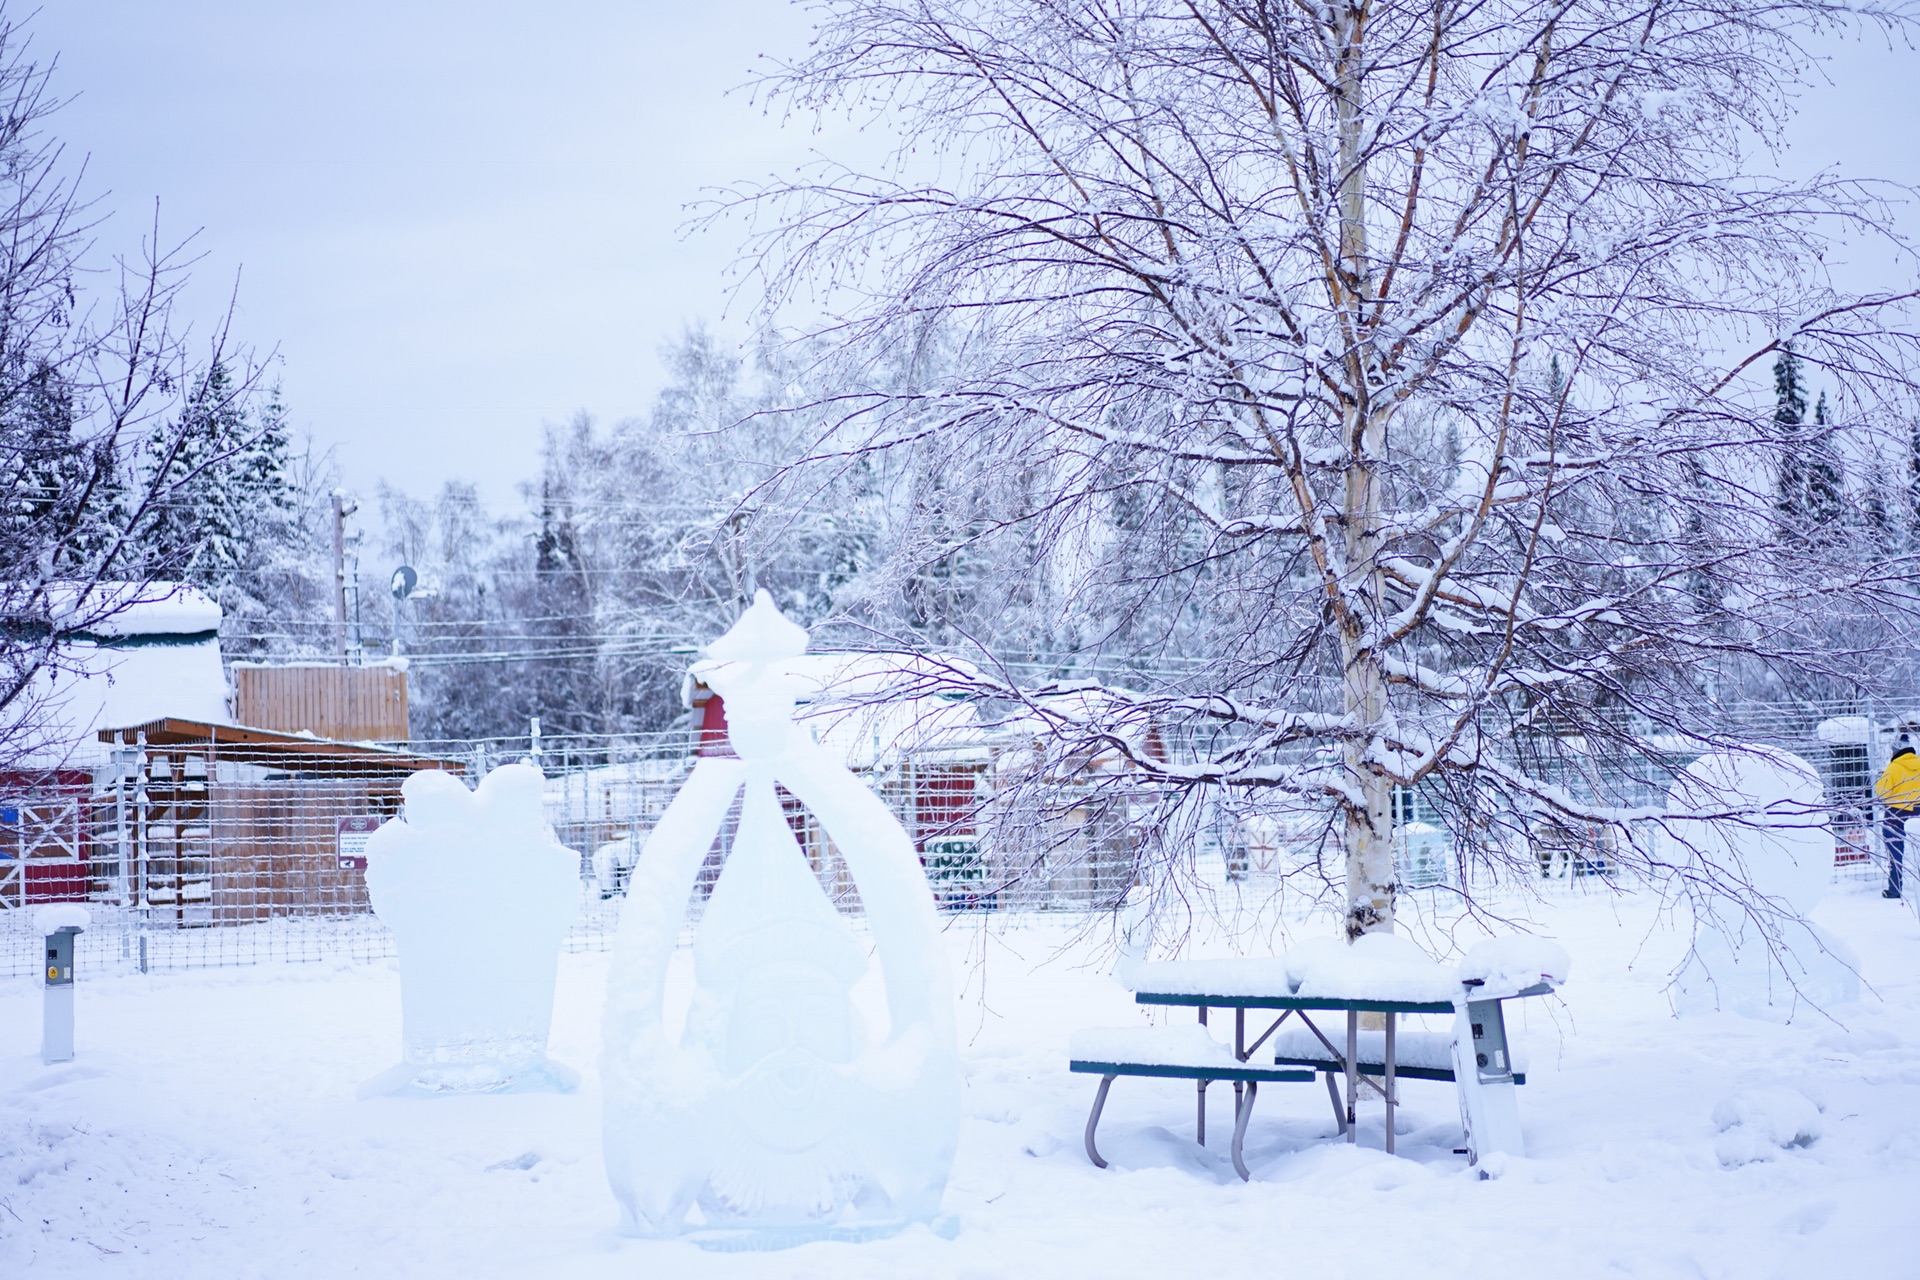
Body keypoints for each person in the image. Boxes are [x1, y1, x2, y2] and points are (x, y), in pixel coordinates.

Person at [1873, 735, 1920, 898]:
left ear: (1896, 751)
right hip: (1919, 813)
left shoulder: (1893, 768)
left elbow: (1881, 791)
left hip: (1896, 814)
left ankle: (1895, 889)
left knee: (1895, 852)